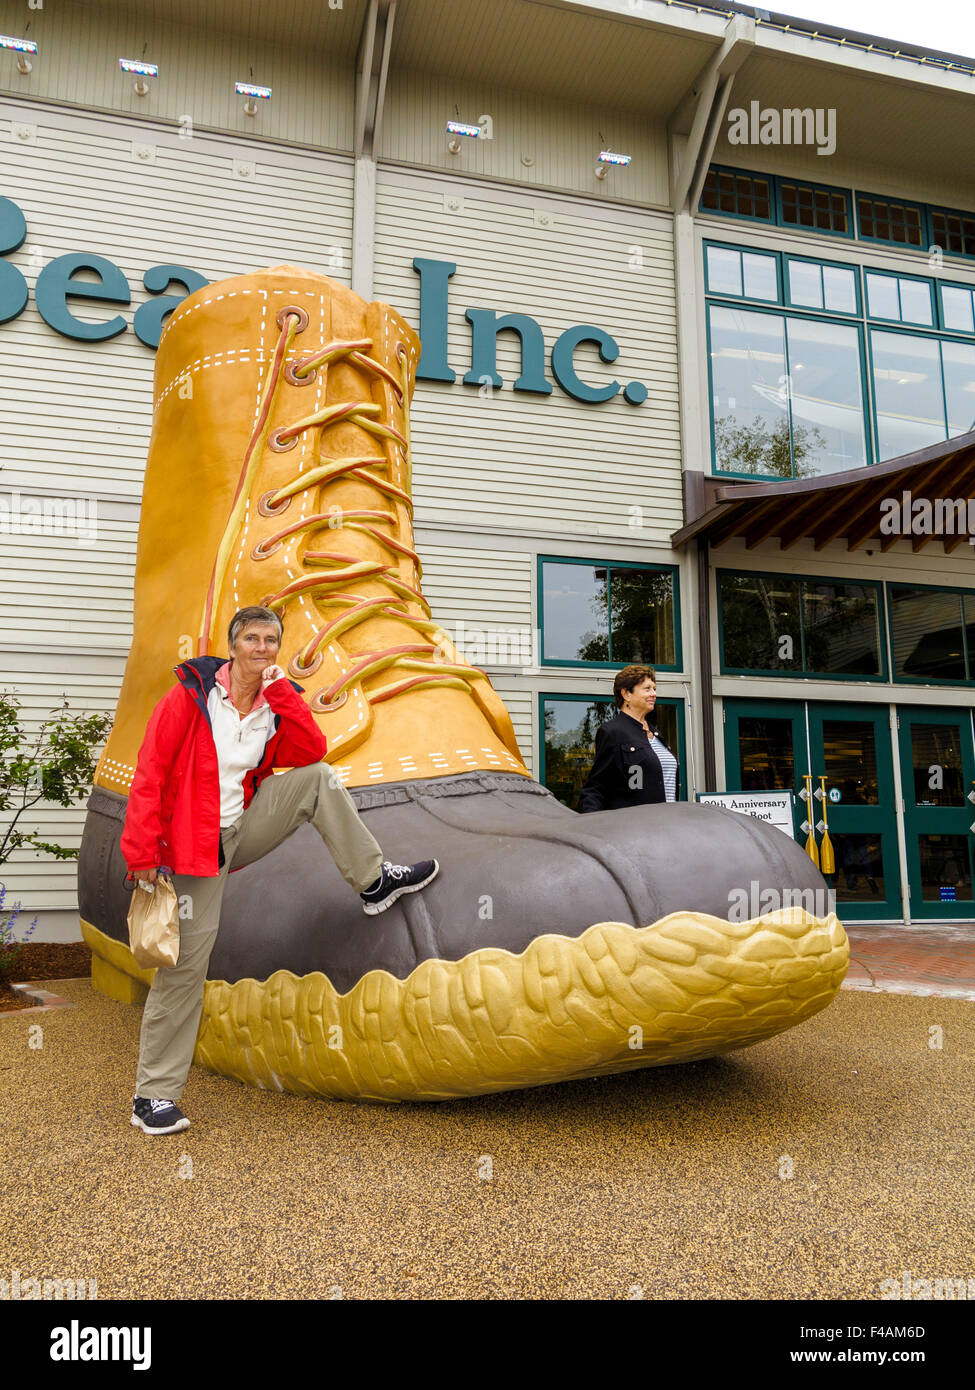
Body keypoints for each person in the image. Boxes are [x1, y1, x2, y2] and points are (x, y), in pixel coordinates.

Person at [120, 605, 439, 1135]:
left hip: (241, 828)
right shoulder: (189, 700)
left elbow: (311, 749)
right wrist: (142, 855)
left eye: (271, 640)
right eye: (252, 638)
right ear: (233, 645)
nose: (262, 648)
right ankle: (152, 1096)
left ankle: (373, 880)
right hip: (192, 851)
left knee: (316, 777)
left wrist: (283, 692)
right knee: (184, 971)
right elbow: (149, 775)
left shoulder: (272, 704)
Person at [577, 664, 679, 812]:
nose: (653, 694)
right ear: (626, 694)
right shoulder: (612, 732)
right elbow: (596, 787)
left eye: (654, 689)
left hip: (667, 824)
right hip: (636, 827)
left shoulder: (656, 733)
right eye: (647, 689)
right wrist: (593, 824)